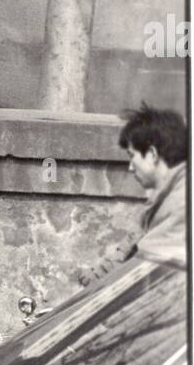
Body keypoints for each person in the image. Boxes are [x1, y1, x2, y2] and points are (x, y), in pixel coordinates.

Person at [78, 103, 187, 283]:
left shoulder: (182, 200)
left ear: (152, 154)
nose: (130, 167)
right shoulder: (169, 194)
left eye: (131, 156)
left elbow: (144, 269)